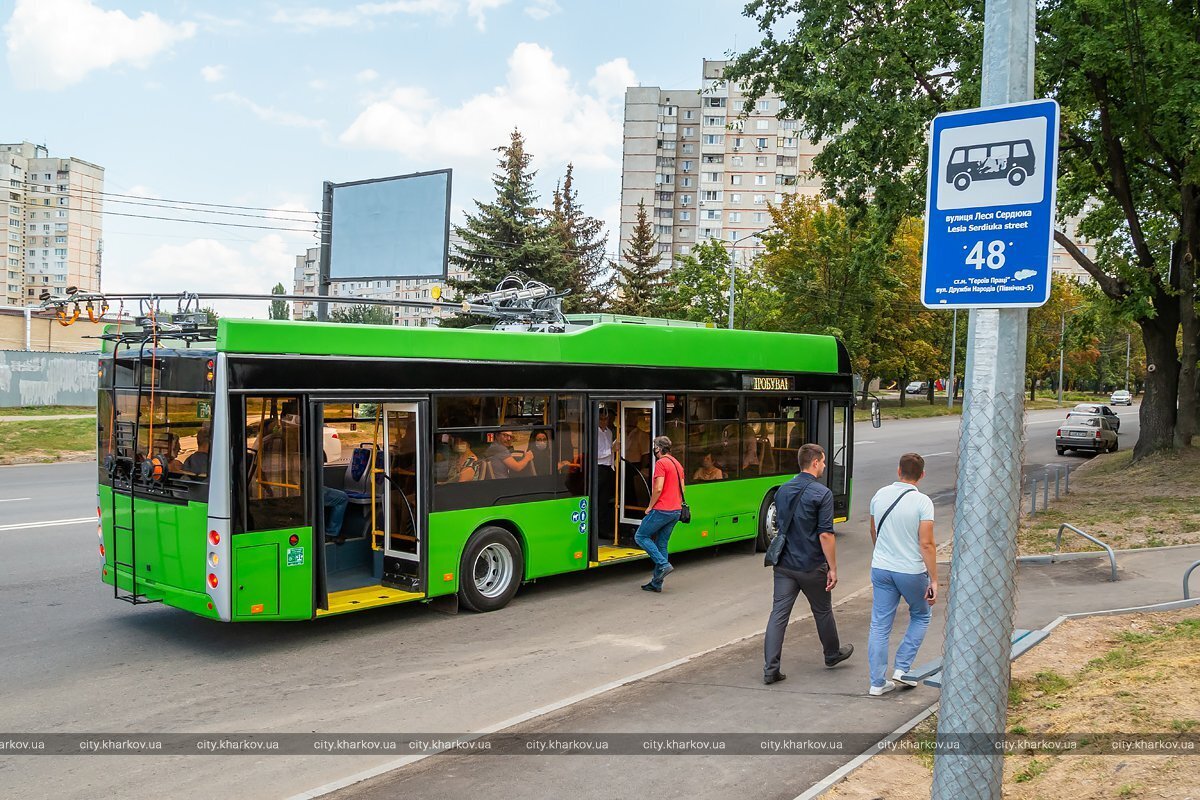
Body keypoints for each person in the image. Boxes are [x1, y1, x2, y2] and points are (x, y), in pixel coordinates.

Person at [763, 443, 853, 685]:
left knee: (778, 615)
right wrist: (832, 567)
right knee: (822, 611)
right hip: (812, 565)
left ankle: (771, 668)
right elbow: (826, 534)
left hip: (784, 565)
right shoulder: (821, 494)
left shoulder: (782, 490)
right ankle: (832, 654)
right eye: (823, 462)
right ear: (815, 463)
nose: (824, 466)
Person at [867, 453, 937, 696]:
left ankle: (877, 683)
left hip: (882, 568)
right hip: (911, 571)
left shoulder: (880, 495)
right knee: (921, 614)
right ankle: (902, 669)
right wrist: (934, 580)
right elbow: (926, 544)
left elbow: (874, 531)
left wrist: (884, 554)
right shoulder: (923, 502)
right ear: (922, 475)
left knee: (879, 624)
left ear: (898, 471)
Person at [634, 436, 685, 593]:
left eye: (655, 447)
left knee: (641, 536)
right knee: (662, 543)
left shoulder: (661, 463)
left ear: (658, 449)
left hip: (663, 509)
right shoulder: (677, 464)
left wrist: (650, 506)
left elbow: (658, 488)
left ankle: (663, 564)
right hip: (676, 510)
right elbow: (683, 489)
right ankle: (656, 583)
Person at [596, 407, 616, 540]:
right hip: (598, 469)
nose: (604, 422)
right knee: (597, 501)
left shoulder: (609, 432)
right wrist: (611, 450)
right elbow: (596, 455)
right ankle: (596, 529)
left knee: (604, 502)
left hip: (608, 469)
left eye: (606, 419)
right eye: (601, 419)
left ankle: (602, 529)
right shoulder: (594, 433)